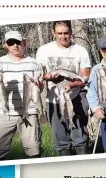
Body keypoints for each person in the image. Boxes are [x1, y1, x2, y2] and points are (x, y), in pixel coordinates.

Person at [36, 20, 91, 156]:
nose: (63, 36)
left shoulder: (80, 50)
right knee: (60, 139)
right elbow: (39, 74)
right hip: (53, 100)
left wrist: (72, 84)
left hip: (77, 97)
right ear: (53, 33)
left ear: (71, 33)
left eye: (66, 33)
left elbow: (85, 77)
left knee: (80, 136)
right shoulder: (43, 50)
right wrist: (48, 76)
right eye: (59, 33)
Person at [0, 31, 43, 161]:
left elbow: (40, 88)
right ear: (6, 45)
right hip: (5, 112)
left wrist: (37, 84)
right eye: (11, 43)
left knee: (34, 151)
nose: (15, 46)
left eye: (18, 42)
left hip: (30, 111)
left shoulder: (34, 63)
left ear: (24, 43)